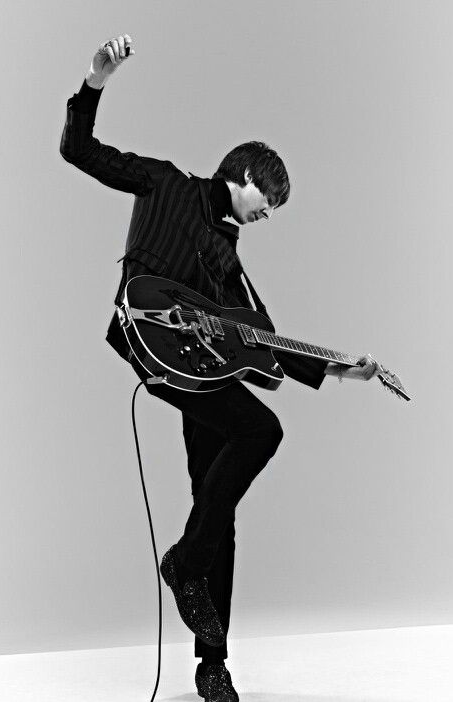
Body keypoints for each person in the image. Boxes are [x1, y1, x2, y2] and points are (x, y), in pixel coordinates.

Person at [60, 34, 380, 702]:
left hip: (204, 372)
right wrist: (95, 82)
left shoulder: (229, 258)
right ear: (242, 177)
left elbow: (257, 339)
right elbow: (79, 151)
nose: (268, 212)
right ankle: (186, 562)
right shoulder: (164, 182)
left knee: (219, 500)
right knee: (259, 434)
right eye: (267, 198)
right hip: (149, 339)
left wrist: (337, 370)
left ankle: (212, 664)